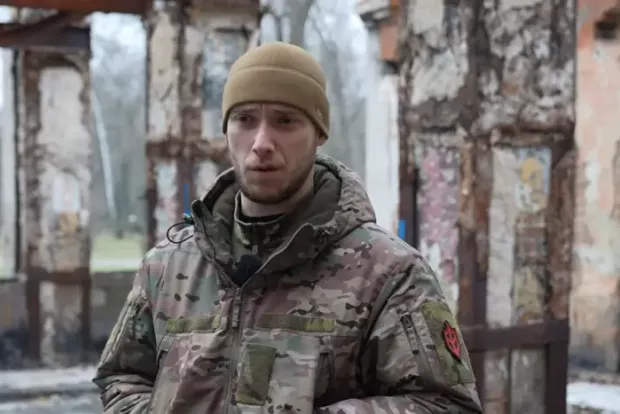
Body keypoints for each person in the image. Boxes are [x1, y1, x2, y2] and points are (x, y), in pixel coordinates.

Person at [93, 41, 483, 414]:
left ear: (319, 133)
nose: (262, 142)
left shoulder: (388, 274)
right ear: (226, 130)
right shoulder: (166, 268)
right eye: (245, 120)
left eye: (286, 121)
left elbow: (445, 404)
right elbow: (122, 376)